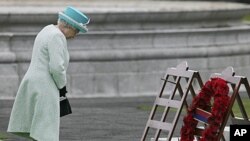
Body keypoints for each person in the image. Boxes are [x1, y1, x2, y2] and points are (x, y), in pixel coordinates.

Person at [7, 6, 90, 141]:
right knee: (46, 130)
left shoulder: (47, 29)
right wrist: (62, 87)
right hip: (46, 85)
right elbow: (57, 67)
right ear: (69, 27)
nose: (75, 36)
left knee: (37, 128)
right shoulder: (57, 36)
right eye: (77, 31)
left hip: (33, 82)